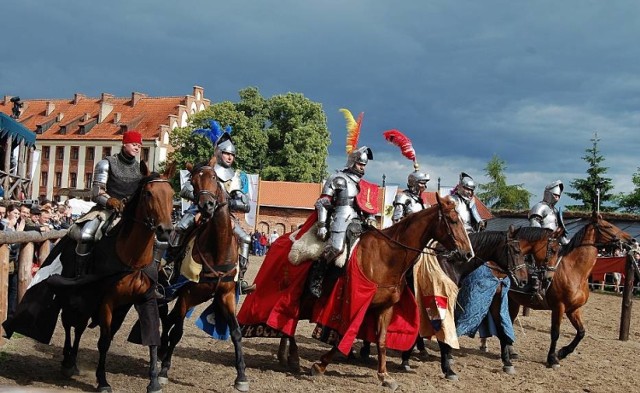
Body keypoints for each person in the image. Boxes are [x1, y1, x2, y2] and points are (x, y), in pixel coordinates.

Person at [170, 128, 255, 294]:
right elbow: (185, 191)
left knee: (245, 238)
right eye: (226, 153)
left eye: (232, 155)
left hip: (223, 215)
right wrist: (203, 197)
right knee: (180, 228)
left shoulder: (237, 176)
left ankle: (241, 278)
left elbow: (245, 204)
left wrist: (230, 201)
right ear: (217, 153)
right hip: (199, 210)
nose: (230, 157)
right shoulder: (205, 169)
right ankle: (170, 265)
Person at [67, 130, 146, 276]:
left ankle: (153, 276)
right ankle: (79, 273)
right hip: (106, 209)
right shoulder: (107, 163)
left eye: (139, 146)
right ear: (125, 144)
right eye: (134, 144)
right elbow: (96, 192)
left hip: (131, 212)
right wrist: (110, 201)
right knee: (86, 235)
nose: (137, 148)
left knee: (154, 238)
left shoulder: (141, 168)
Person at [308, 145, 376, 298]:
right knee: (336, 248)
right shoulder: (338, 178)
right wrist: (322, 225)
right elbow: (323, 202)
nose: (362, 167)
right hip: (340, 217)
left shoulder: (365, 185)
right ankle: (317, 279)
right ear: (352, 162)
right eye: (360, 163)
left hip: (360, 221)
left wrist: (371, 218)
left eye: (364, 164)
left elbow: (368, 206)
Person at [528, 180, 568, 244]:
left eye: (558, 196)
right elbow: (534, 227)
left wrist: (566, 243)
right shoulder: (539, 207)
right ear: (548, 193)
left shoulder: (555, 210)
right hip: (541, 243)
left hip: (554, 243)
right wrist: (545, 238)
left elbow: (560, 231)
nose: (557, 198)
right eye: (555, 195)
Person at [2, 203, 22, 319]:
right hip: (5, 260)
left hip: (12, 260)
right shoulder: (4, 224)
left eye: (18, 213)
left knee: (13, 287)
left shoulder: (14, 225)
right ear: (8, 212)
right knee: (5, 286)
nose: (17, 215)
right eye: (15, 213)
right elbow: (11, 243)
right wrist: (13, 229)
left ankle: (11, 314)